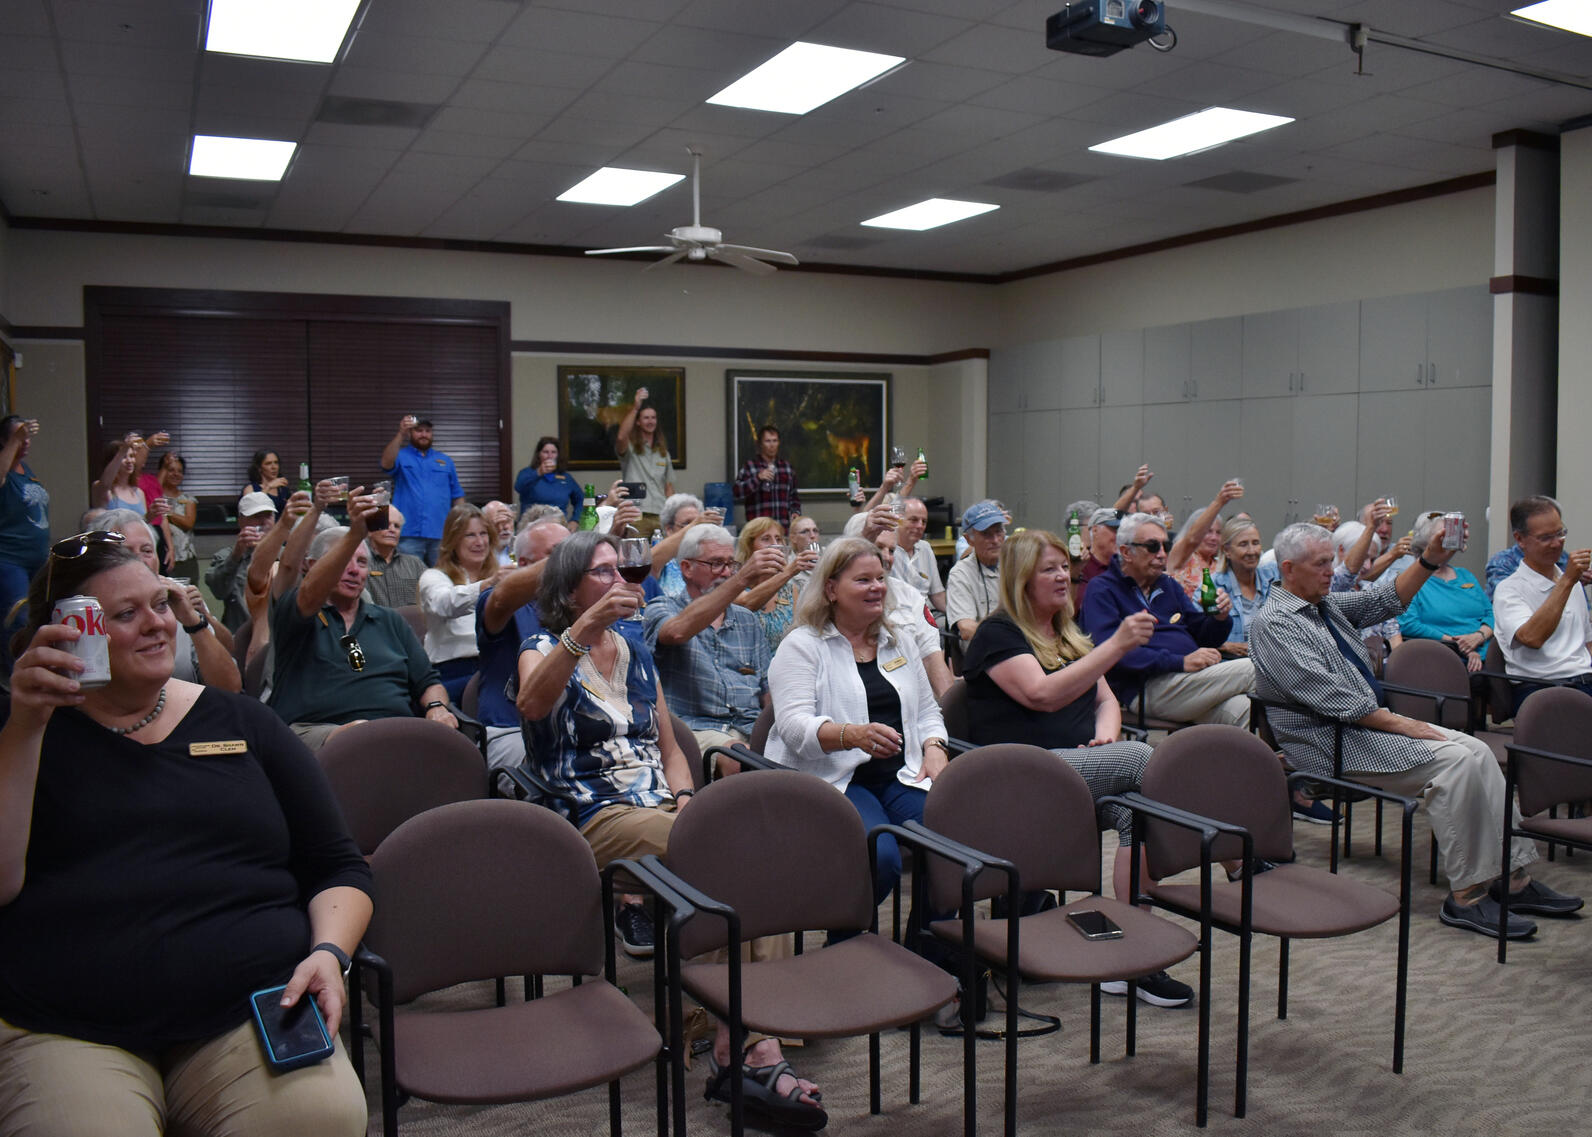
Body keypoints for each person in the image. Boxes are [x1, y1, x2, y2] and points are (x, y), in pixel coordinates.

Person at [0, 534, 371, 1136]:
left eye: (160, 602)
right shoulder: (22, 728)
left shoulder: (243, 722)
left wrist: (330, 954)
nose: (157, 624)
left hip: (246, 1010)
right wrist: (24, 728)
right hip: (66, 1023)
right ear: (69, 630)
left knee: (321, 1118)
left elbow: (338, 865)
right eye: (126, 614)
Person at [515, 531, 822, 1129]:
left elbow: (669, 744)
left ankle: (744, 1037)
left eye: (621, 570)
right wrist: (584, 632)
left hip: (659, 805)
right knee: (721, 854)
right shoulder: (543, 644)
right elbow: (530, 703)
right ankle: (751, 1049)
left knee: (754, 853)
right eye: (602, 573)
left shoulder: (634, 646)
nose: (619, 581)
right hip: (592, 813)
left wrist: (684, 797)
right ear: (569, 589)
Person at [1250, 520, 1582, 939]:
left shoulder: (1323, 604)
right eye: (1320, 564)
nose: (1330, 570)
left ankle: (1512, 879)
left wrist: (1428, 561)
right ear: (1288, 568)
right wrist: (1407, 724)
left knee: (1478, 753)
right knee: (1456, 765)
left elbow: (1385, 601)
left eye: (1330, 561)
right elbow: (1335, 700)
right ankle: (1467, 897)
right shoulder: (1274, 623)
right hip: (1330, 742)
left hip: (1368, 727)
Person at [961, 529, 1191, 1008]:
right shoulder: (998, 633)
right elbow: (1041, 697)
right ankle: (1236, 860)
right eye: (1049, 569)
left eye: (1065, 566)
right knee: (1145, 758)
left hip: (1074, 770)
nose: (1063, 576)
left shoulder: (1067, 632)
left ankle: (1132, 956)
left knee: (1137, 812)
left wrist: (1106, 734)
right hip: (1018, 779)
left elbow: (1106, 700)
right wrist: (1119, 645)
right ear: (1022, 579)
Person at [765, 537, 949, 914]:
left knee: (954, 845)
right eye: (863, 580)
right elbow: (793, 728)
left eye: (880, 578)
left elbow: (929, 711)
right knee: (879, 858)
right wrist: (853, 735)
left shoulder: (898, 641)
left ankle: (931, 951)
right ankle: (845, 948)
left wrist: (934, 748)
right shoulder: (802, 645)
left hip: (902, 774)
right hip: (832, 779)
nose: (878, 587)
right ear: (831, 589)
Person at [269, 486, 457, 752]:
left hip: (395, 731)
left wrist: (437, 708)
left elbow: (428, 681)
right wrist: (357, 532)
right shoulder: (296, 612)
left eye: (361, 562)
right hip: (314, 732)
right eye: (344, 560)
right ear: (312, 566)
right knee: (359, 739)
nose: (354, 571)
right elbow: (309, 592)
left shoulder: (390, 620)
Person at [1079, 512, 1252, 728]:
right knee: (1254, 668)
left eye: (1165, 546)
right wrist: (1180, 662)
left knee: (1246, 709)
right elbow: (1108, 652)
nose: (1162, 554)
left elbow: (1204, 636)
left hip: (1191, 681)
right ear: (1126, 551)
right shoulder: (1102, 589)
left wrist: (1219, 618)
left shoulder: (1167, 585)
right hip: (1145, 687)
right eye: (1152, 547)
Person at [644, 524, 781, 756]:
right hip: (696, 729)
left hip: (749, 727)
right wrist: (743, 577)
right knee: (738, 757)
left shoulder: (746, 619)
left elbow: (767, 690)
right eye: (717, 563)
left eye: (731, 564)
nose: (727, 572)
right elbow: (677, 632)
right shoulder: (662, 608)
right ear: (686, 568)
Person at [89, 510, 241, 692]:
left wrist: (195, 621)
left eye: (146, 551)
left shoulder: (179, 596)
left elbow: (229, 687)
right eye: (126, 553)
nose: (140, 560)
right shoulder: (90, 607)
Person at [475, 518, 568, 777]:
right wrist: (573, 554)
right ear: (524, 564)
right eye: (557, 553)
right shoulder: (501, 602)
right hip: (511, 730)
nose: (572, 562)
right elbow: (502, 596)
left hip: (572, 729)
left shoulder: (577, 606)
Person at [1491, 495, 1592, 711]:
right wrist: (1566, 581)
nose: (1557, 543)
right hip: (1541, 688)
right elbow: (1532, 637)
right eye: (1546, 538)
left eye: (1560, 533)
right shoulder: (1509, 589)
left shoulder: (1572, 583)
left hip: (1584, 680)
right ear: (1520, 539)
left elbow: (1587, 642)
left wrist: (1567, 581)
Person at [1397, 510, 1497, 693]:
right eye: (1446, 531)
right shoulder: (1412, 579)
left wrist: (1478, 636)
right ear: (1427, 539)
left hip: (1485, 655)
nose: (1453, 535)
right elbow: (1409, 625)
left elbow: (1490, 614)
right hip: (1443, 658)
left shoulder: (1466, 575)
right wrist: (1458, 644)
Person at [417, 503, 502, 701]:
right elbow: (443, 604)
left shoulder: (499, 575)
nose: (480, 542)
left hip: (494, 667)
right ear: (453, 540)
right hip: (454, 673)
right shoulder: (434, 577)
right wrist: (486, 586)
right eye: (470, 535)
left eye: (484, 533)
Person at [873, 526, 952, 700]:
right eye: (878, 548)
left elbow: (932, 656)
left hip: (909, 698)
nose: (886, 557)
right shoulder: (833, 602)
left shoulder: (910, 595)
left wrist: (952, 709)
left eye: (892, 550)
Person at [380, 414, 464, 566]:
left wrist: (462, 525)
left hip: (440, 533)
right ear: (411, 433)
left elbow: (457, 495)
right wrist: (401, 434)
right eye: (419, 430)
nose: (424, 434)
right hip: (408, 533)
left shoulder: (445, 461)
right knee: (409, 578)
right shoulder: (401, 455)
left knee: (442, 579)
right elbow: (386, 463)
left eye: (427, 431)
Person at [733, 517, 818, 650]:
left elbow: (799, 636)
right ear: (749, 547)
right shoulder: (736, 583)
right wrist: (789, 571)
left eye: (778, 539)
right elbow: (747, 603)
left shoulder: (789, 590)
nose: (775, 545)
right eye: (766, 539)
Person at [0, 417, 48, 649]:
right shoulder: (4, 468)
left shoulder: (26, 469)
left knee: (38, 619)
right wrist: (14, 440)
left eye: (27, 437)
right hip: (10, 560)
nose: (25, 441)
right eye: (19, 437)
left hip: (37, 560)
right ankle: (12, 680)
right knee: (17, 620)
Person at [206, 491, 277, 633]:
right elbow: (219, 592)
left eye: (268, 516)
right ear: (241, 521)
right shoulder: (225, 556)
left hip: (277, 635)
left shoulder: (286, 554)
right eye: (257, 517)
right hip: (238, 633)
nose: (264, 522)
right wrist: (236, 555)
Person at [1210, 516, 1280, 656]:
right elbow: (1194, 633)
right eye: (1243, 544)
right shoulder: (1213, 587)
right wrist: (1225, 646)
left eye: (1255, 543)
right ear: (1226, 551)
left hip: (1273, 659)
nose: (1252, 551)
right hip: (1232, 664)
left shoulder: (1274, 578)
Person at [1167, 479, 1244, 598]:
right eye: (1208, 532)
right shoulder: (1182, 557)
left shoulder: (1221, 565)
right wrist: (1220, 501)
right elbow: (1191, 540)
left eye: (1218, 533)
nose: (1214, 537)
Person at [615, 386, 675, 537]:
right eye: (646, 418)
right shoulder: (630, 449)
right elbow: (621, 437)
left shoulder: (663, 453)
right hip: (636, 514)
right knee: (637, 558)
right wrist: (635, 408)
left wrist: (673, 514)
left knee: (662, 557)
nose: (650, 421)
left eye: (653, 418)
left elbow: (669, 488)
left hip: (660, 514)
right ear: (638, 422)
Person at [946, 500, 1006, 641]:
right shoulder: (960, 574)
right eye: (986, 534)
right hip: (984, 649)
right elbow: (966, 629)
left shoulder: (1016, 565)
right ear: (969, 540)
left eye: (999, 531)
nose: (996, 540)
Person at [734, 424, 800, 527]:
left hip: (782, 528)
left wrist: (795, 512)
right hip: (758, 529)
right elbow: (737, 491)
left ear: (779, 443)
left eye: (775, 441)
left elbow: (793, 496)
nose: (772, 445)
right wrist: (757, 478)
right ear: (760, 444)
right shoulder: (750, 466)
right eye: (768, 441)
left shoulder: (787, 468)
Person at [364, 504, 427, 608]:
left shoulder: (415, 564)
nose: (392, 530)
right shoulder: (359, 563)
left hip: (408, 623)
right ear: (370, 530)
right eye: (386, 524)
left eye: (396, 526)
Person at [892, 497, 947, 613]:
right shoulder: (886, 550)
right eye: (913, 520)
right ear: (898, 520)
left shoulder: (925, 548)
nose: (920, 526)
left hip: (925, 615)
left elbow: (937, 595)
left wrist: (958, 618)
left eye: (924, 522)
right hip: (896, 615)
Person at [513, 435, 582, 523]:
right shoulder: (527, 473)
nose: (550, 456)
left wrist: (575, 520)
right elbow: (518, 487)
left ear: (558, 455)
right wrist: (538, 473)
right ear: (539, 454)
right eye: (545, 452)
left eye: (553, 452)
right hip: (531, 525)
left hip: (558, 525)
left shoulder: (566, 477)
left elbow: (581, 500)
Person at [156, 452, 199, 583]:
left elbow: (188, 523)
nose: (176, 474)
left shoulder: (188, 499)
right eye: (171, 470)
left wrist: (167, 513)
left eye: (180, 471)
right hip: (162, 556)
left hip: (186, 557)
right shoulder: (156, 497)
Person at [1072, 507, 1121, 613]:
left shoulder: (1126, 568)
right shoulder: (1080, 566)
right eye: (1115, 529)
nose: (1121, 536)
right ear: (1095, 530)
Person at [242, 447, 291, 515]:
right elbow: (250, 509)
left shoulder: (283, 489)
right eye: (268, 463)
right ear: (259, 468)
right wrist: (268, 487)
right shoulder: (250, 488)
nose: (274, 467)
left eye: (276, 463)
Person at [482, 500, 516, 565]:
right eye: (497, 522)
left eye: (508, 521)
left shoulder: (521, 547)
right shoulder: (479, 551)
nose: (505, 527)